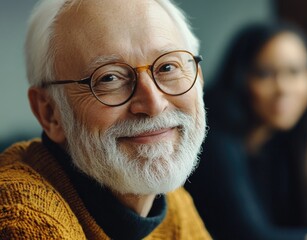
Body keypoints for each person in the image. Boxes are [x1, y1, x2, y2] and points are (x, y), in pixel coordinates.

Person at [0, 0, 211, 239]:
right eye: (109, 78)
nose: (153, 104)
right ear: (50, 113)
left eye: (167, 68)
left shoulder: (169, 201)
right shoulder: (22, 217)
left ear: (198, 79)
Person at [185, 21, 307, 240]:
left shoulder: (280, 140)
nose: (283, 88)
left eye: (295, 72)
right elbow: (248, 235)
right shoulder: (213, 140)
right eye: (265, 74)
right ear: (241, 77)